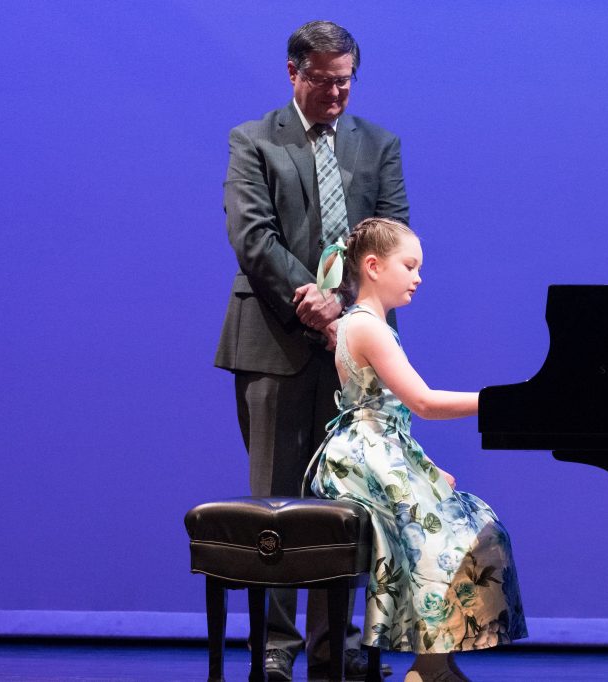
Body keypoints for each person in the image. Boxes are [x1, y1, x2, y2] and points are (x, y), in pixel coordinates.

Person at [214, 20, 408, 681]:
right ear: (293, 74)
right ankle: (275, 648)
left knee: (349, 501)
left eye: (345, 81)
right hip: (272, 341)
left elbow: (391, 237)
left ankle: (335, 645)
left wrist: (349, 312)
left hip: (356, 350)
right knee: (275, 500)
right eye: (324, 81)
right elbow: (252, 236)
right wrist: (313, 298)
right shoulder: (254, 141)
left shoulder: (378, 145)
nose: (336, 94)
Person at [305, 217, 527, 682]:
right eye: (409, 266)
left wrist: (425, 468)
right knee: (448, 531)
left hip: (378, 447)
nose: (418, 277)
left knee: (471, 522)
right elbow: (423, 403)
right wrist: (500, 400)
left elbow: (393, 418)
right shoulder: (367, 327)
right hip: (362, 455)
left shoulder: (367, 324)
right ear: (373, 266)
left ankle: (436, 663)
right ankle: (428, 668)